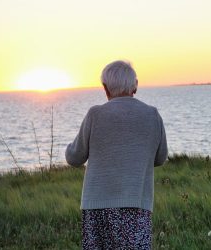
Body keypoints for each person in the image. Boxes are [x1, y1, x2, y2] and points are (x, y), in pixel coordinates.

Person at [65, 60, 168, 249]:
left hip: (96, 208)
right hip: (136, 206)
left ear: (105, 88)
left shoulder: (94, 115)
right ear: (134, 85)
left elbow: (74, 158)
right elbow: (161, 158)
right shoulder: (152, 115)